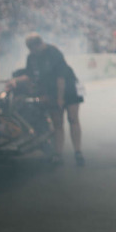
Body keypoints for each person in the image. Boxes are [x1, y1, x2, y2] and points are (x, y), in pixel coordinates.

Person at [24, 33, 84, 166]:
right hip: (51, 91)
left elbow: (60, 77)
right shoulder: (31, 57)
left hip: (68, 88)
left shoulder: (53, 52)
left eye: (33, 48)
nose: (32, 52)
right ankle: (58, 154)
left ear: (39, 44)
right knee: (57, 124)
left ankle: (78, 151)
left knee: (73, 119)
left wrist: (60, 98)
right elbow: (29, 74)